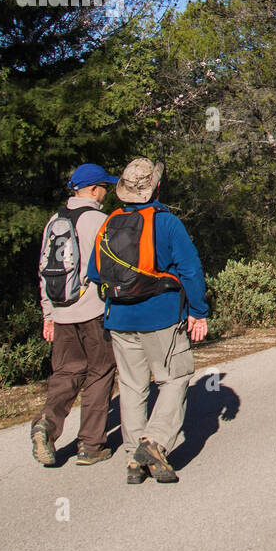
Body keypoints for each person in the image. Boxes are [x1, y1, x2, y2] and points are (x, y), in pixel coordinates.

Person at [89, 158, 208, 485]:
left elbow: (94, 274)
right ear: (155, 187)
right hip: (161, 316)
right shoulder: (166, 222)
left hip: (120, 318)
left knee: (131, 387)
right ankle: (153, 442)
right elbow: (191, 269)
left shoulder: (108, 222)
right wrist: (198, 311)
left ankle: (133, 456)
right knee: (175, 376)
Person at [31, 164, 120, 467]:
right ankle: (90, 446)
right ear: (94, 190)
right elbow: (113, 268)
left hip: (60, 309)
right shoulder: (99, 220)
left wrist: (48, 314)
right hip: (93, 310)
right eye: (105, 187)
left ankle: (46, 423)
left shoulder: (53, 221)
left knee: (66, 373)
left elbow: (44, 270)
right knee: (100, 371)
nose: (107, 192)